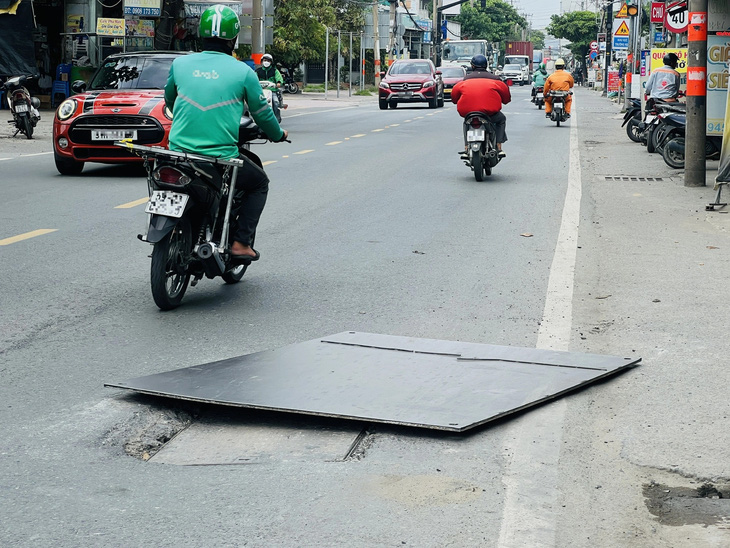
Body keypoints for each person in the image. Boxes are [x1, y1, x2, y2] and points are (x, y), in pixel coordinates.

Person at [164, 4, 288, 263]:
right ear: (233, 39)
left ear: (201, 34)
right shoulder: (243, 71)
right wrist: (277, 134)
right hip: (219, 157)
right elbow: (262, 113)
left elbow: (170, 101)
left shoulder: (180, 64)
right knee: (259, 184)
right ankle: (241, 244)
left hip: (178, 154)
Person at [450, 54, 511, 159]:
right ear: (486, 66)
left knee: (466, 123)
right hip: (490, 115)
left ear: (472, 66)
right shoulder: (496, 81)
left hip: (469, 114)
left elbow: (454, 98)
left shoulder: (464, 81)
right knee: (501, 119)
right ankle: (499, 146)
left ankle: (466, 148)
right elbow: (506, 98)